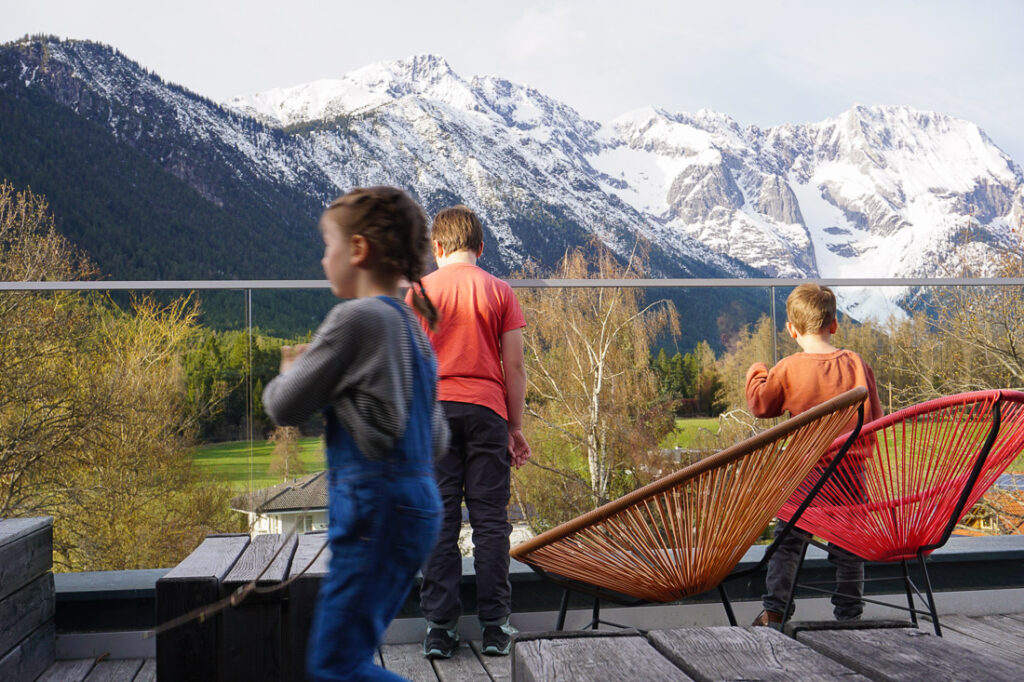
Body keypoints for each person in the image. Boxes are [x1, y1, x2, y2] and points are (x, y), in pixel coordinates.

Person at [262, 186, 447, 681]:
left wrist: (292, 372)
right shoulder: (414, 332)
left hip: (374, 509)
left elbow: (283, 405)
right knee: (351, 656)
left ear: (359, 249)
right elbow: (437, 440)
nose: (324, 259)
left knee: (336, 666)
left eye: (329, 245)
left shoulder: (355, 319)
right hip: (418, 509)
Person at [407, 205, 531, 659]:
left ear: (437, 248)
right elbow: (514, 367)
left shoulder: (419, 292)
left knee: (439, 520)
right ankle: (495, 627)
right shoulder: (500, 291)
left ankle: (440, 630)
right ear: (481, 247)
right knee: (490, 522)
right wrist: (514, 426)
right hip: (487, 413)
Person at [745, 283, 883, 626]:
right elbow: (874, 419)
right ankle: (849, 615)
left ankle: (775, 610)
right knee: (848, 545)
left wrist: (757, 372)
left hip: (806, 475)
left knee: (788, 542)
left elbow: (761, 406)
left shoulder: (788, 368)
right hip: (850, 474)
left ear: (791, 330)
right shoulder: (856, 363)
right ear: (834, 324)